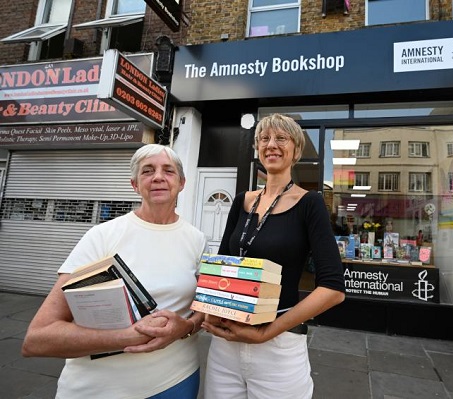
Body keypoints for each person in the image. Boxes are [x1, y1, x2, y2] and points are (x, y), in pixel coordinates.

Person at [21, 144, 207, 398]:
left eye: (168, 171)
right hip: (99, 388)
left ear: (182, 183)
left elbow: (205, 309)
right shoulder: (102, 237)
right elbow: (39, 338)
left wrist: (185, 327)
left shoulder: (197, 240)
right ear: (134, 184)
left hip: (176, 381)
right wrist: (127, 336)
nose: (158, 177)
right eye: (147, 171)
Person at [201, 113, 346, 399]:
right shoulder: (242, 201)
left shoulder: (310, 203)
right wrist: (207, 312)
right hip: (225, 343)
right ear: (257, 148)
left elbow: (333, 289)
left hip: (277, 345)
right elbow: (222, 266)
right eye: (264, 138)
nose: (271, 145)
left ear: (295, 150)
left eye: (281, 138)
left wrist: (266, 333)